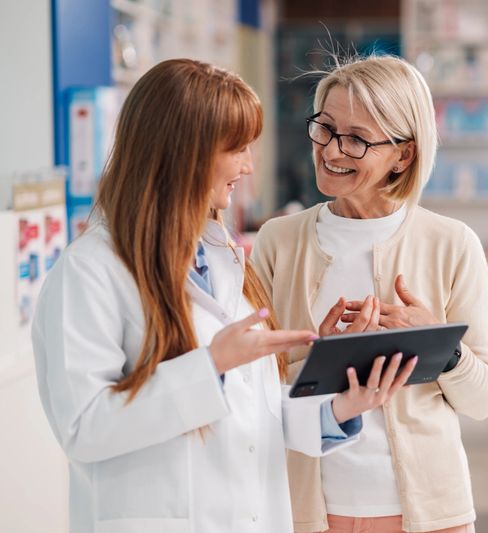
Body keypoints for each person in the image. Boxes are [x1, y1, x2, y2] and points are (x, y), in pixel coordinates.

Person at [31, 58, 416, 533]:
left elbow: (253, 412)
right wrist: (211, 365)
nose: (249, 166)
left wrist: (342, 405)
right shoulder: (90, 270)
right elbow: (82, 429)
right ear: (182, 153)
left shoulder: (222, 259)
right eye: (236, 148)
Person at [250, 54, 488, 533]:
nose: (331, 150)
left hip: (430, 516)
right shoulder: (278, 242)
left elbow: (485, 399)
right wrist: (317, 358)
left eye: (356, 139)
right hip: (304, 513)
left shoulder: (451, 244)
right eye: (324, 128)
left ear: (403, 154)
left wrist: (442, 347)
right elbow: (252, 392)